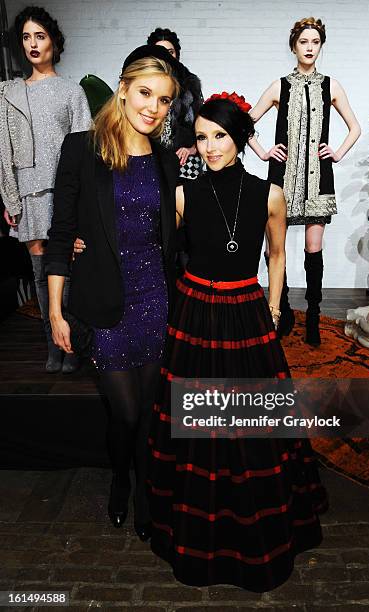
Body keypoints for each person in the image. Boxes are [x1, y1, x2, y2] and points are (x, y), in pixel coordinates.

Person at [147, 92, 328, 592]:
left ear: (242, 138)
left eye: (219, 136)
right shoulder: (185, 196)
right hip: (195, 313)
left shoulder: (270, 194)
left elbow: (275, 256)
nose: (208, 147)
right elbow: (157, 248)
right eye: (201, 137)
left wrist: (274, 308)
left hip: (246, 311)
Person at [45, 46, 180, 540]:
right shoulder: (82, 149)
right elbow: (62, 234)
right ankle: (121, 475)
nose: (153, 107)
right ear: (122, 89)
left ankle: (142, 491)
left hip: (155, 300)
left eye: (164, 100)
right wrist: (56, 312)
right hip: (104, 305)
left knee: (146, 409)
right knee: (123, 410)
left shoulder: (165, 159)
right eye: (146, 93)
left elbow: (174, 236)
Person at [249, 17, 361, 346]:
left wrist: (337, 153)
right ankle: (280, 312)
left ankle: (312, 317)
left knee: (314, 249)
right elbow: (245, 122)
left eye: (315, 42)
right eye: (304, 42)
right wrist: (264, 152)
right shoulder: (279, 86)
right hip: (282, 179)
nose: (310, 47)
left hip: (317, 180)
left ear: (320, 46)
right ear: (294, 46)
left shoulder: (331, 86)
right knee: (275, 250)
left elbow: (355, 127)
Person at [0, 6, 92, 373]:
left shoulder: (72, 93)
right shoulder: (9, 93)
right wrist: (10, 195)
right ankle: (53, 346)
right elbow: (3, 149)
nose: (33, 44)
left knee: (65, 270)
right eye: (26, 37)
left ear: (54, 41)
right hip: (28, 194)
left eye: (40, 35)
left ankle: (72, 345)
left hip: (64, 194)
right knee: (40, 275)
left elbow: (87, 152)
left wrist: (84, 202)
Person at [147, 27, 203, 180]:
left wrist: (192, 149)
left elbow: (203, 125)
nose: (166, 56)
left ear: (177, 55)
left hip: (184, 162)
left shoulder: (191, 84)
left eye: (170, 51)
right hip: (151, 159)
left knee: (185, 202)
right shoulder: (143, 83)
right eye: (160, 50)